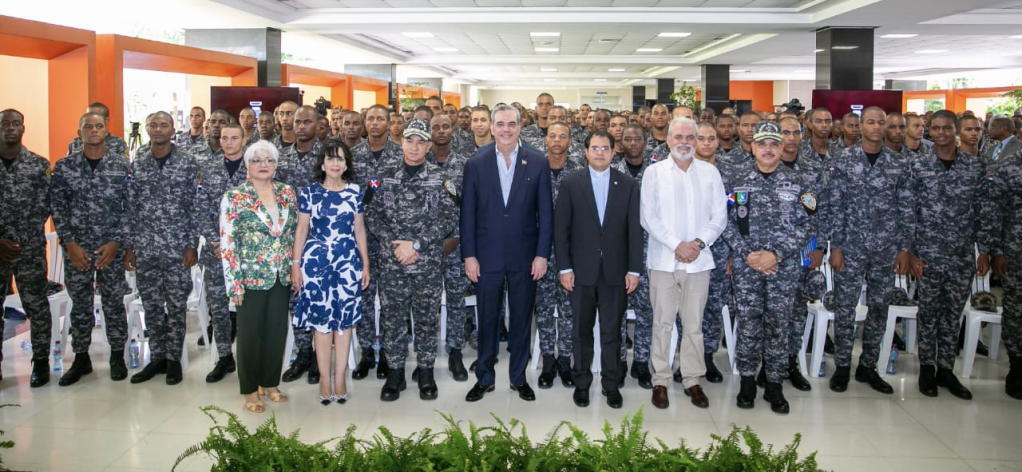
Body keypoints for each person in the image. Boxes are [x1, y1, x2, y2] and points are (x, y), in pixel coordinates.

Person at [461, 104, 552, 402]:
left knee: (522, 320)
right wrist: (469, 255)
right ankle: (484, 378)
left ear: (520, 126)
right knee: (487, 319)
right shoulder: (476, 163)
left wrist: (542, 255)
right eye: (500, 124)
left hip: (525, 256)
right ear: (491, 128)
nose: (506, 130)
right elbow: (467, 214)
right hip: (486, 256)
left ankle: (518, 378)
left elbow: (546, 214)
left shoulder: (537, 161)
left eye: (511, 124)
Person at [723, 121, 815, 414]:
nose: (768, 149)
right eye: (762, 144)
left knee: (778, 325)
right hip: (746, 266)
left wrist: (776, 254)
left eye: (774, 144)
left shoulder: (800, 182)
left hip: (783, 268)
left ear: (782, 147)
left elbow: (808, 225)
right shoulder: (735, 181)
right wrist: (748, 255)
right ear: (752, 147)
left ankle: (774, 384)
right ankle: (747, 382)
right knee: (748, 324)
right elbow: (723, 221)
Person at [366, 119, 458, 401]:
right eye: (410, 140)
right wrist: (396, 244)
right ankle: (395, 373)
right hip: (393, 261)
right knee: (393, 318)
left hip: (426, 261)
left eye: (421, 142)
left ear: (429, 146)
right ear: (401, 142)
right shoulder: (382, 176)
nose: (415, 147)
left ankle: (426, 371)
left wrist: (416, 244)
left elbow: (450, 218)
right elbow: (370, 214)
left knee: (427, 318)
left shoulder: (442, 179)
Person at [640, 118, 727, 410]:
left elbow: (720, 217)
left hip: (699, 262)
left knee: (693, 325)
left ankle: (692, 379)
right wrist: (677, 244)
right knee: (662, 323)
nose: (685, 142)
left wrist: (697, 244)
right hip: (663, 261)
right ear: (668, 140)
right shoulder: (654, 173)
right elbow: (648, 217)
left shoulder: (710, 173)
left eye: (691, 137)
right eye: (679, 136)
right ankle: (661, 380)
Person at [907, 110, 993, 400]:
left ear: (956, 130)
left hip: (961, 253)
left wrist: (985, 250)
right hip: (927, 252)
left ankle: (946, 368)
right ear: (930, 131)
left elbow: (983, 211)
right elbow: (909, 211)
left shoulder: (975, 167)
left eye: (947, 128)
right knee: (928, 312)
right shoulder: (918, 166)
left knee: (952, 314)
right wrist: (910, 251)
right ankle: (927, 368)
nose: (941, 133)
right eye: (936, 128)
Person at [826, 107, 911, 395]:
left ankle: (868, 365)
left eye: (881, 123)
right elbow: (835, 205)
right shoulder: (844, 160)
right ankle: (842, 366)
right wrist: (836, 246)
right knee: (845, 306)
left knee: (879, 307)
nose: (876, 127)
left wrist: (904, 248)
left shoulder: (898, 163)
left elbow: (906, 207)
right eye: (870, 122)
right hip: (851, 245)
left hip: (886, 247)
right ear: (860, 126)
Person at [554, 130, 642, 409]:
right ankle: (582, 383)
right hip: (580, 272)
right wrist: (565, 268)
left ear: (614, 152)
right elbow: (561, 231)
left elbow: (635, 231)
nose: (600, 153)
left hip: (616, 272)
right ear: (586, 151)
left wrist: (634, 270)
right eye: (595, 148)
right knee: (580, 332)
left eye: (605, 148)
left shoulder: (628, 184)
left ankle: (611, 384)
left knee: (612, 332)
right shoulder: (571, 183)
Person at [49, 112, 132, 386]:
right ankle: (81, 358)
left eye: (99, 126)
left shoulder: (122, 165)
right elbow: (58, 208)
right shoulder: (64, 167)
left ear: (107, 131)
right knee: (81, 304)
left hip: (110, 248)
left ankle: (117, 355)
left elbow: (130, 207)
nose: (94, 130)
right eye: (88, 126)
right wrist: (70, 244)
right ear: (79, 132)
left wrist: (117, 242)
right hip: (78, 249)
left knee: (113, 302)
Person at [219, 140, 298, 413]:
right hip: (249, 276)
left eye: (269, 160)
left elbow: (293, 233)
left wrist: (295, 267)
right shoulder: (234, 197)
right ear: (247, 165)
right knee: (250, 333)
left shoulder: (287, 192)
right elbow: (227, 242)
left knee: (277, 331)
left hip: (280, 275)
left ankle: (270, 382)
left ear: (276, 164)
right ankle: (250, 389)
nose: (263, 165)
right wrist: (234, 284)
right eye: (256, 160)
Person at [291, 140, 369, 405]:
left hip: (347, 263)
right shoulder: (310, 193)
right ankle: (325, 379)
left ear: (346, 164)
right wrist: (296, 265)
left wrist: (365, 264)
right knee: (322, 324)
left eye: (340, 159)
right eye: (330, 158)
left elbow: (359, 230)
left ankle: (340, 378)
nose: (335, 163)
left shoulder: (355, 192)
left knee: (344, 323)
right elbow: (302, 230)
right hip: (316, 264)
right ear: (322, 163)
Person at [125, 111, 199, 386]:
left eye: (163, 125)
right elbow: (130, 205)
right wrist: (130, 246)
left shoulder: (188, 161)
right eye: (153, 125)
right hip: (145, 247)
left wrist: (192, 244)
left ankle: (173, 360)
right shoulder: (138, 160)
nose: (158, 129)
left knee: (176, 305)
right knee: (152, 304)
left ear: (172, 129)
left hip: (177, 247)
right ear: (147, 129)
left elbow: (195, 205)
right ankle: (156, 358)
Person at [350, 105, 404, 381]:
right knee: (364, 298)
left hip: (391, 237)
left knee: (391, 300)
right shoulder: (353, 155)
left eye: (380, 118)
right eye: (370, 118)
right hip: (360, 238)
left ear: (389, 122)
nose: (374, 123)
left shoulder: (401, 153)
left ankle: (387, 353)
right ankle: (367, 352)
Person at [0, 109, 52, 387]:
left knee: (36, 306)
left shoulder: (38, 165)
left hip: (29, 248)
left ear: (23, 128)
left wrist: (20, 239)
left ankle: (40, 362)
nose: (10, 128)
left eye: (15, 123)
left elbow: (46, 205)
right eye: (4, 123)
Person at [275, 106, 325, 384]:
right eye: (297, 122)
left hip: (321, 239)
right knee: (296, 298)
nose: (301, 126)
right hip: (288, 239)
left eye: (307, 121)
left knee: (319, 297)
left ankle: (320, 355)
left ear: (318, 125)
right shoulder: (280, 158)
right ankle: (303, 353)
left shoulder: (328, 157)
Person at [194, 123, 248, 383]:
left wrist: (235, 244)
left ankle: (249, 356)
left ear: (244, 139)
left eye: (234, 137)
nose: (228, 142)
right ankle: (225, 356)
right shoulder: (208, 168)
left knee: (248, 307)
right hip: (216, 253)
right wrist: (217, 241)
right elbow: (200, 208)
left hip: (248, 253)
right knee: (218, 307)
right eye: (225, 138)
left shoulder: (255, 167)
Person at [535, 122, 582, 389]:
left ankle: (564, 358)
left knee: (568, 308)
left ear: (570, 141)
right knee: (543, 307)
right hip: (540, 251)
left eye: (562, 136)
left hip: (570, 252)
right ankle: (548, 359)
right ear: (545, 140)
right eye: (552, 135)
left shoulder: (579, 171)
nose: (556, 140)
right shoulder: (534, 168)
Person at [426, 114, 472, 381]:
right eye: (436, 127)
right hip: (426, 248)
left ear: (453, 130)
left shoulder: (466, 164)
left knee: (456, 300)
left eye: (445, 126)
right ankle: (426, 357)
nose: (441, 131)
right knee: (426, 303)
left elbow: (472, 206)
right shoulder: (419, 161)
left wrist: (456, 237)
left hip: (457, 246)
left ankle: (455, 351)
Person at [612, 124, 656, 389]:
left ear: (645, 142)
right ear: (620, 144)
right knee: (617, 310)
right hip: (618, 252)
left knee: (646, 311)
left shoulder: (657, 173)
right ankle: (619, 361)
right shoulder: (611, 172)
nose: (632, 143)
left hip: (650, 252)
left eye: (637, 139)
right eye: (627, 139)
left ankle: (641, 362)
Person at [989, 143, 1022, 399]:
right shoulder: (1009, 167)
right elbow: (995, 212)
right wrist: (996, 251)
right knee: (1016, 310)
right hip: (1016, 251)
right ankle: (1018, 365)